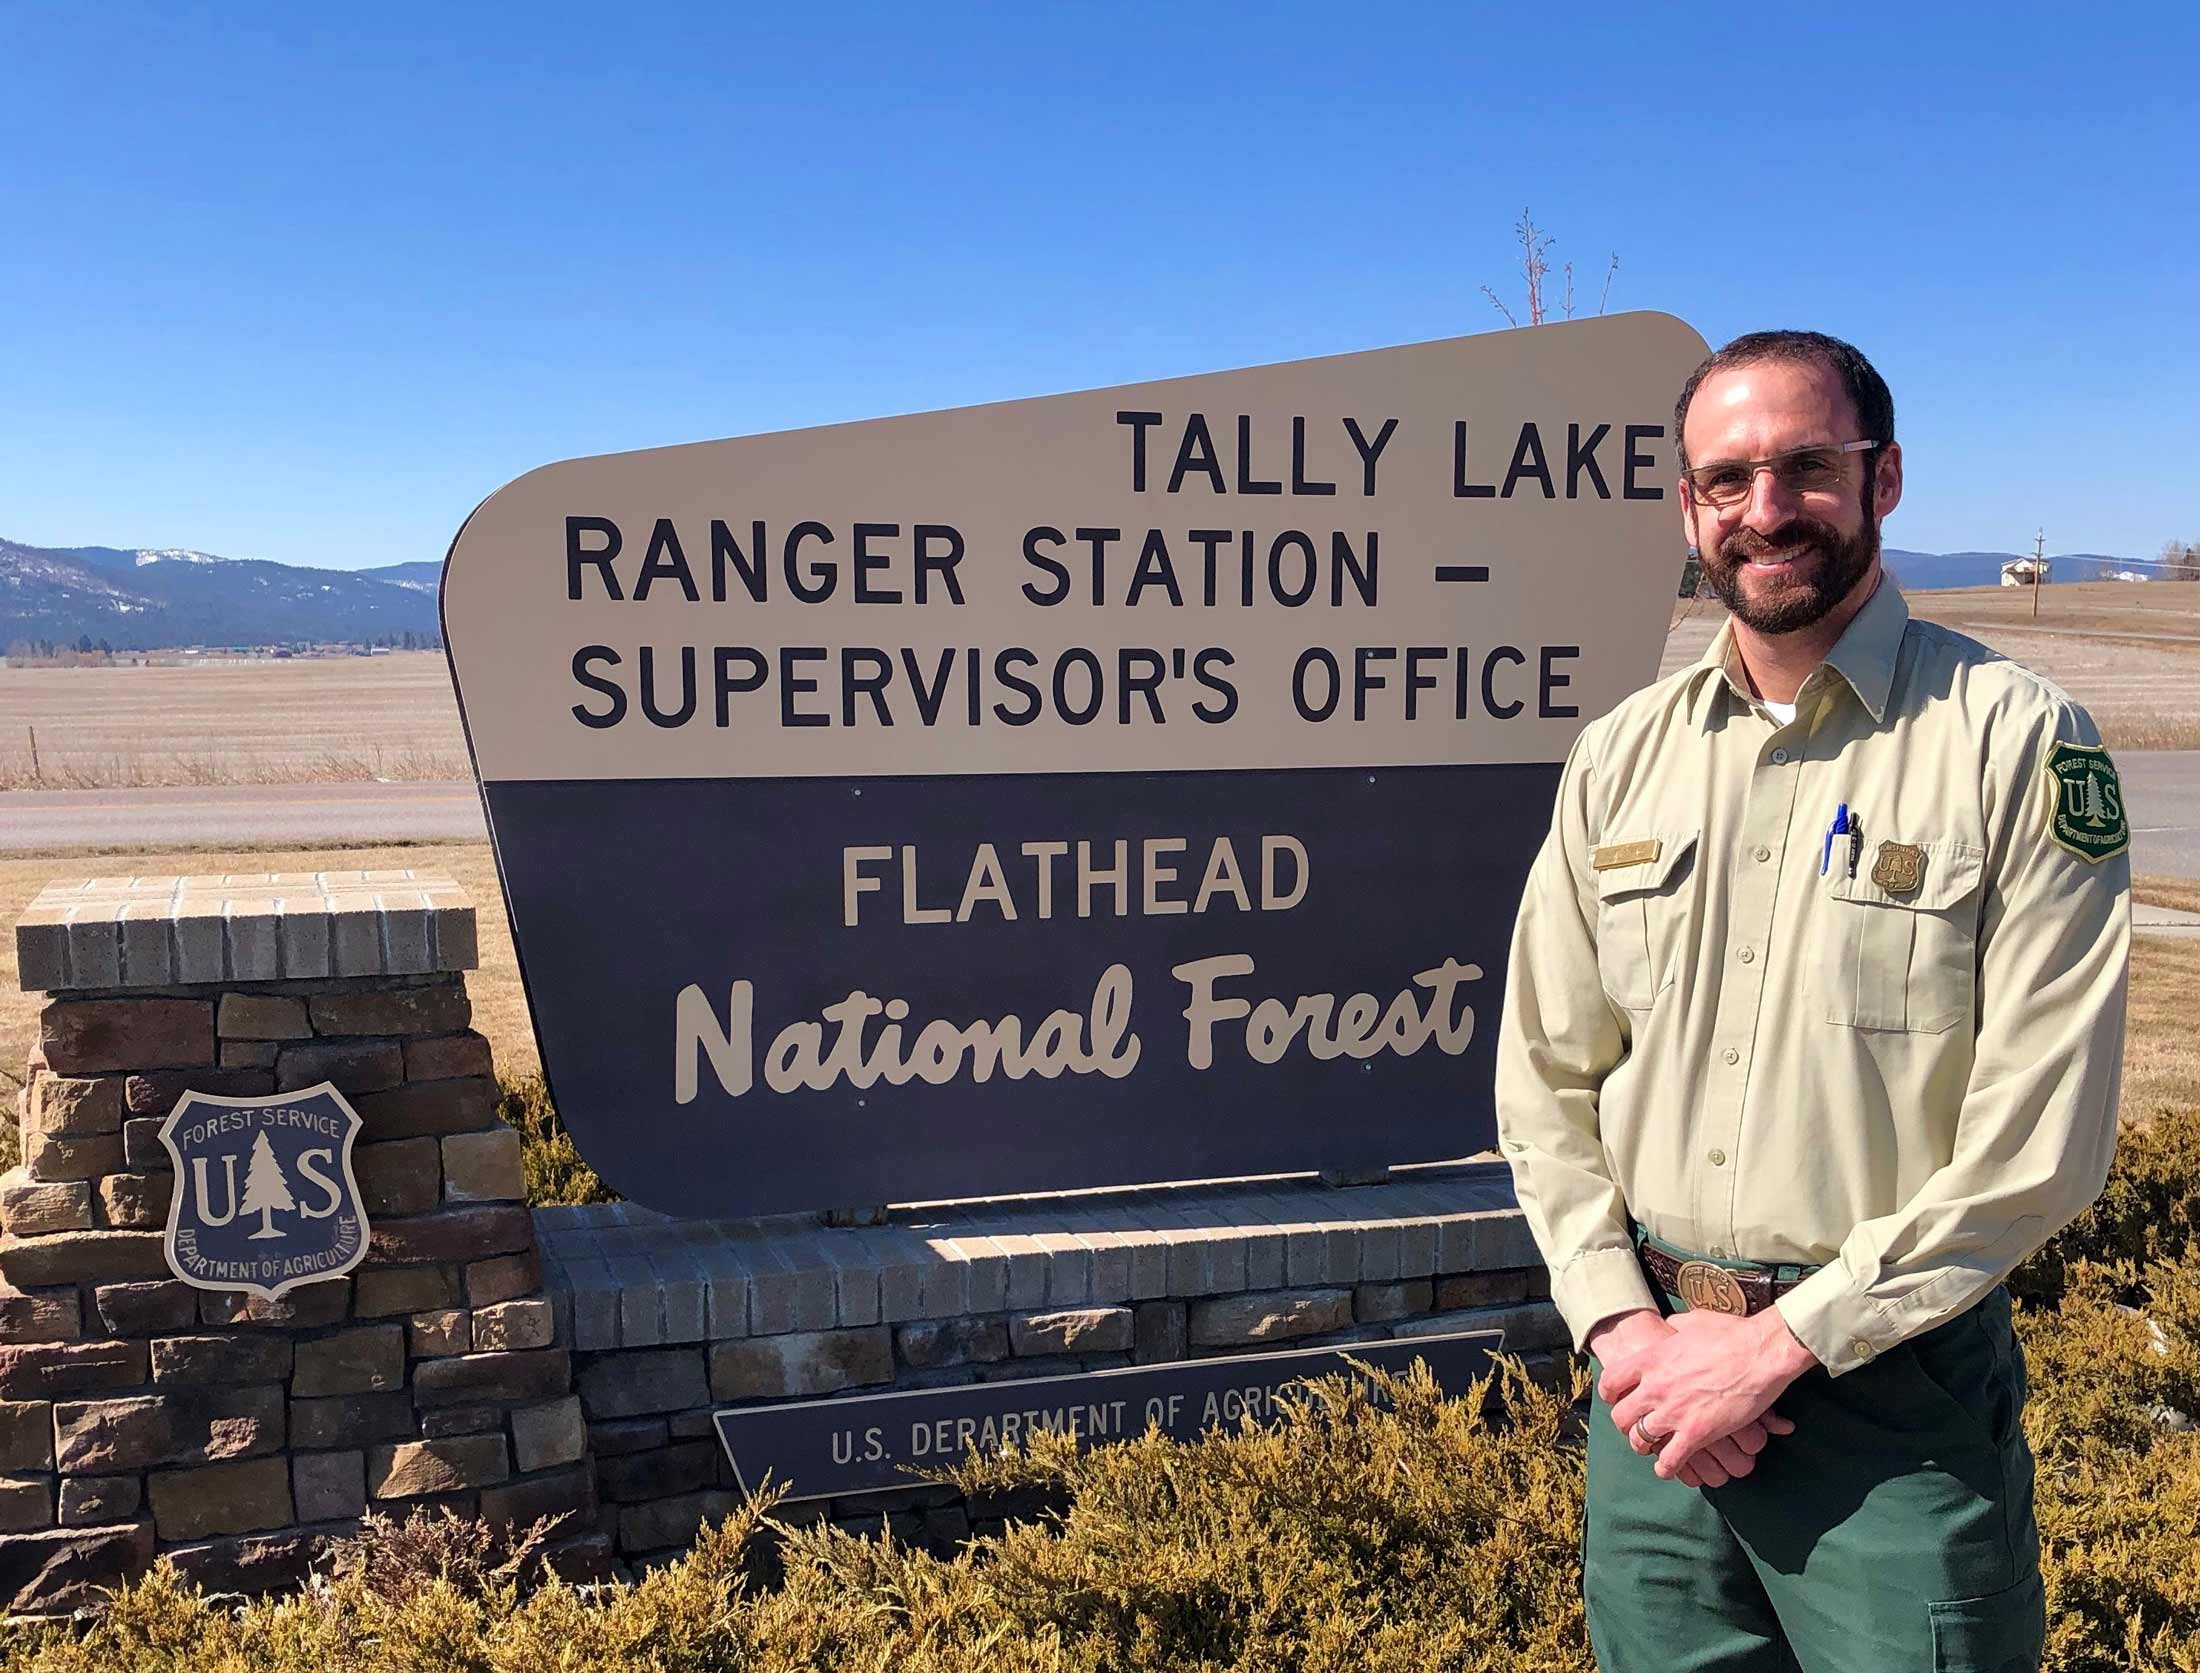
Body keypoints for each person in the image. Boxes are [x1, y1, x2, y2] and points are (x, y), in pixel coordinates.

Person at [1494, 329, 2131, 1672]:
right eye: (1726, 480)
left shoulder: (2016, 742)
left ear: (1884, 477)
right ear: (1688, 508)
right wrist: (1624, 1329)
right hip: (1653, 1402)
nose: (1766, 510)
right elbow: (1543, 1081)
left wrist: (1779, 1342)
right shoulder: (1619, 756)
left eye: (1806, 468)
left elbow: (2044, 1140)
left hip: (1887, 1408)